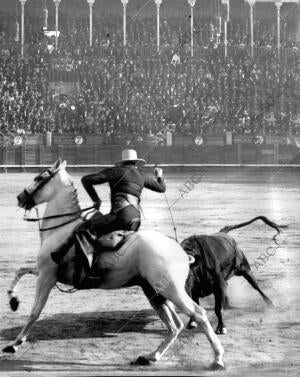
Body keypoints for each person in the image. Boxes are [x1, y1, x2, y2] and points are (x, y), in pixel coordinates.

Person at [78, 148, 166, 238]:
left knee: (83, 229)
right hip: (136, 221)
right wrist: (159, 176)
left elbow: (86, 180)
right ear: (136, 162)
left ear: (122, 162)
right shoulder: (142, 175)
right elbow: (161, 188)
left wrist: (96, 200)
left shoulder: (115, 171)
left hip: (119, 218)